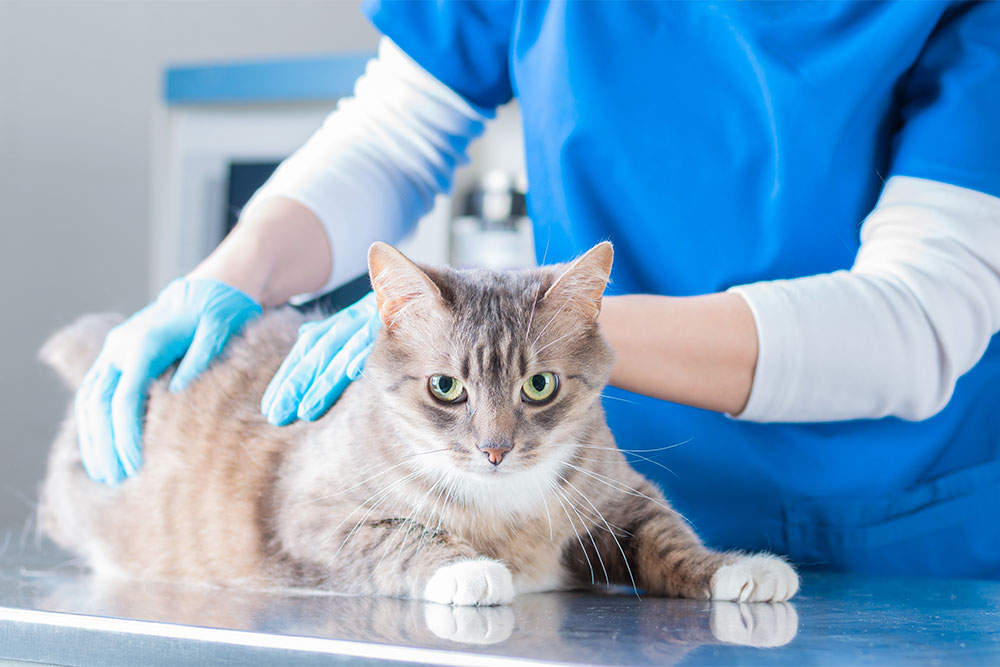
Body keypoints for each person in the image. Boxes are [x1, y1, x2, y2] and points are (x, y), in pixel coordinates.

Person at [75, 1, 1000, 579]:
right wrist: (225, 278)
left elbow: (920, 319)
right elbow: (398, 131)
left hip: (890, 527)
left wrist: (560, 343)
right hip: (564, 505)